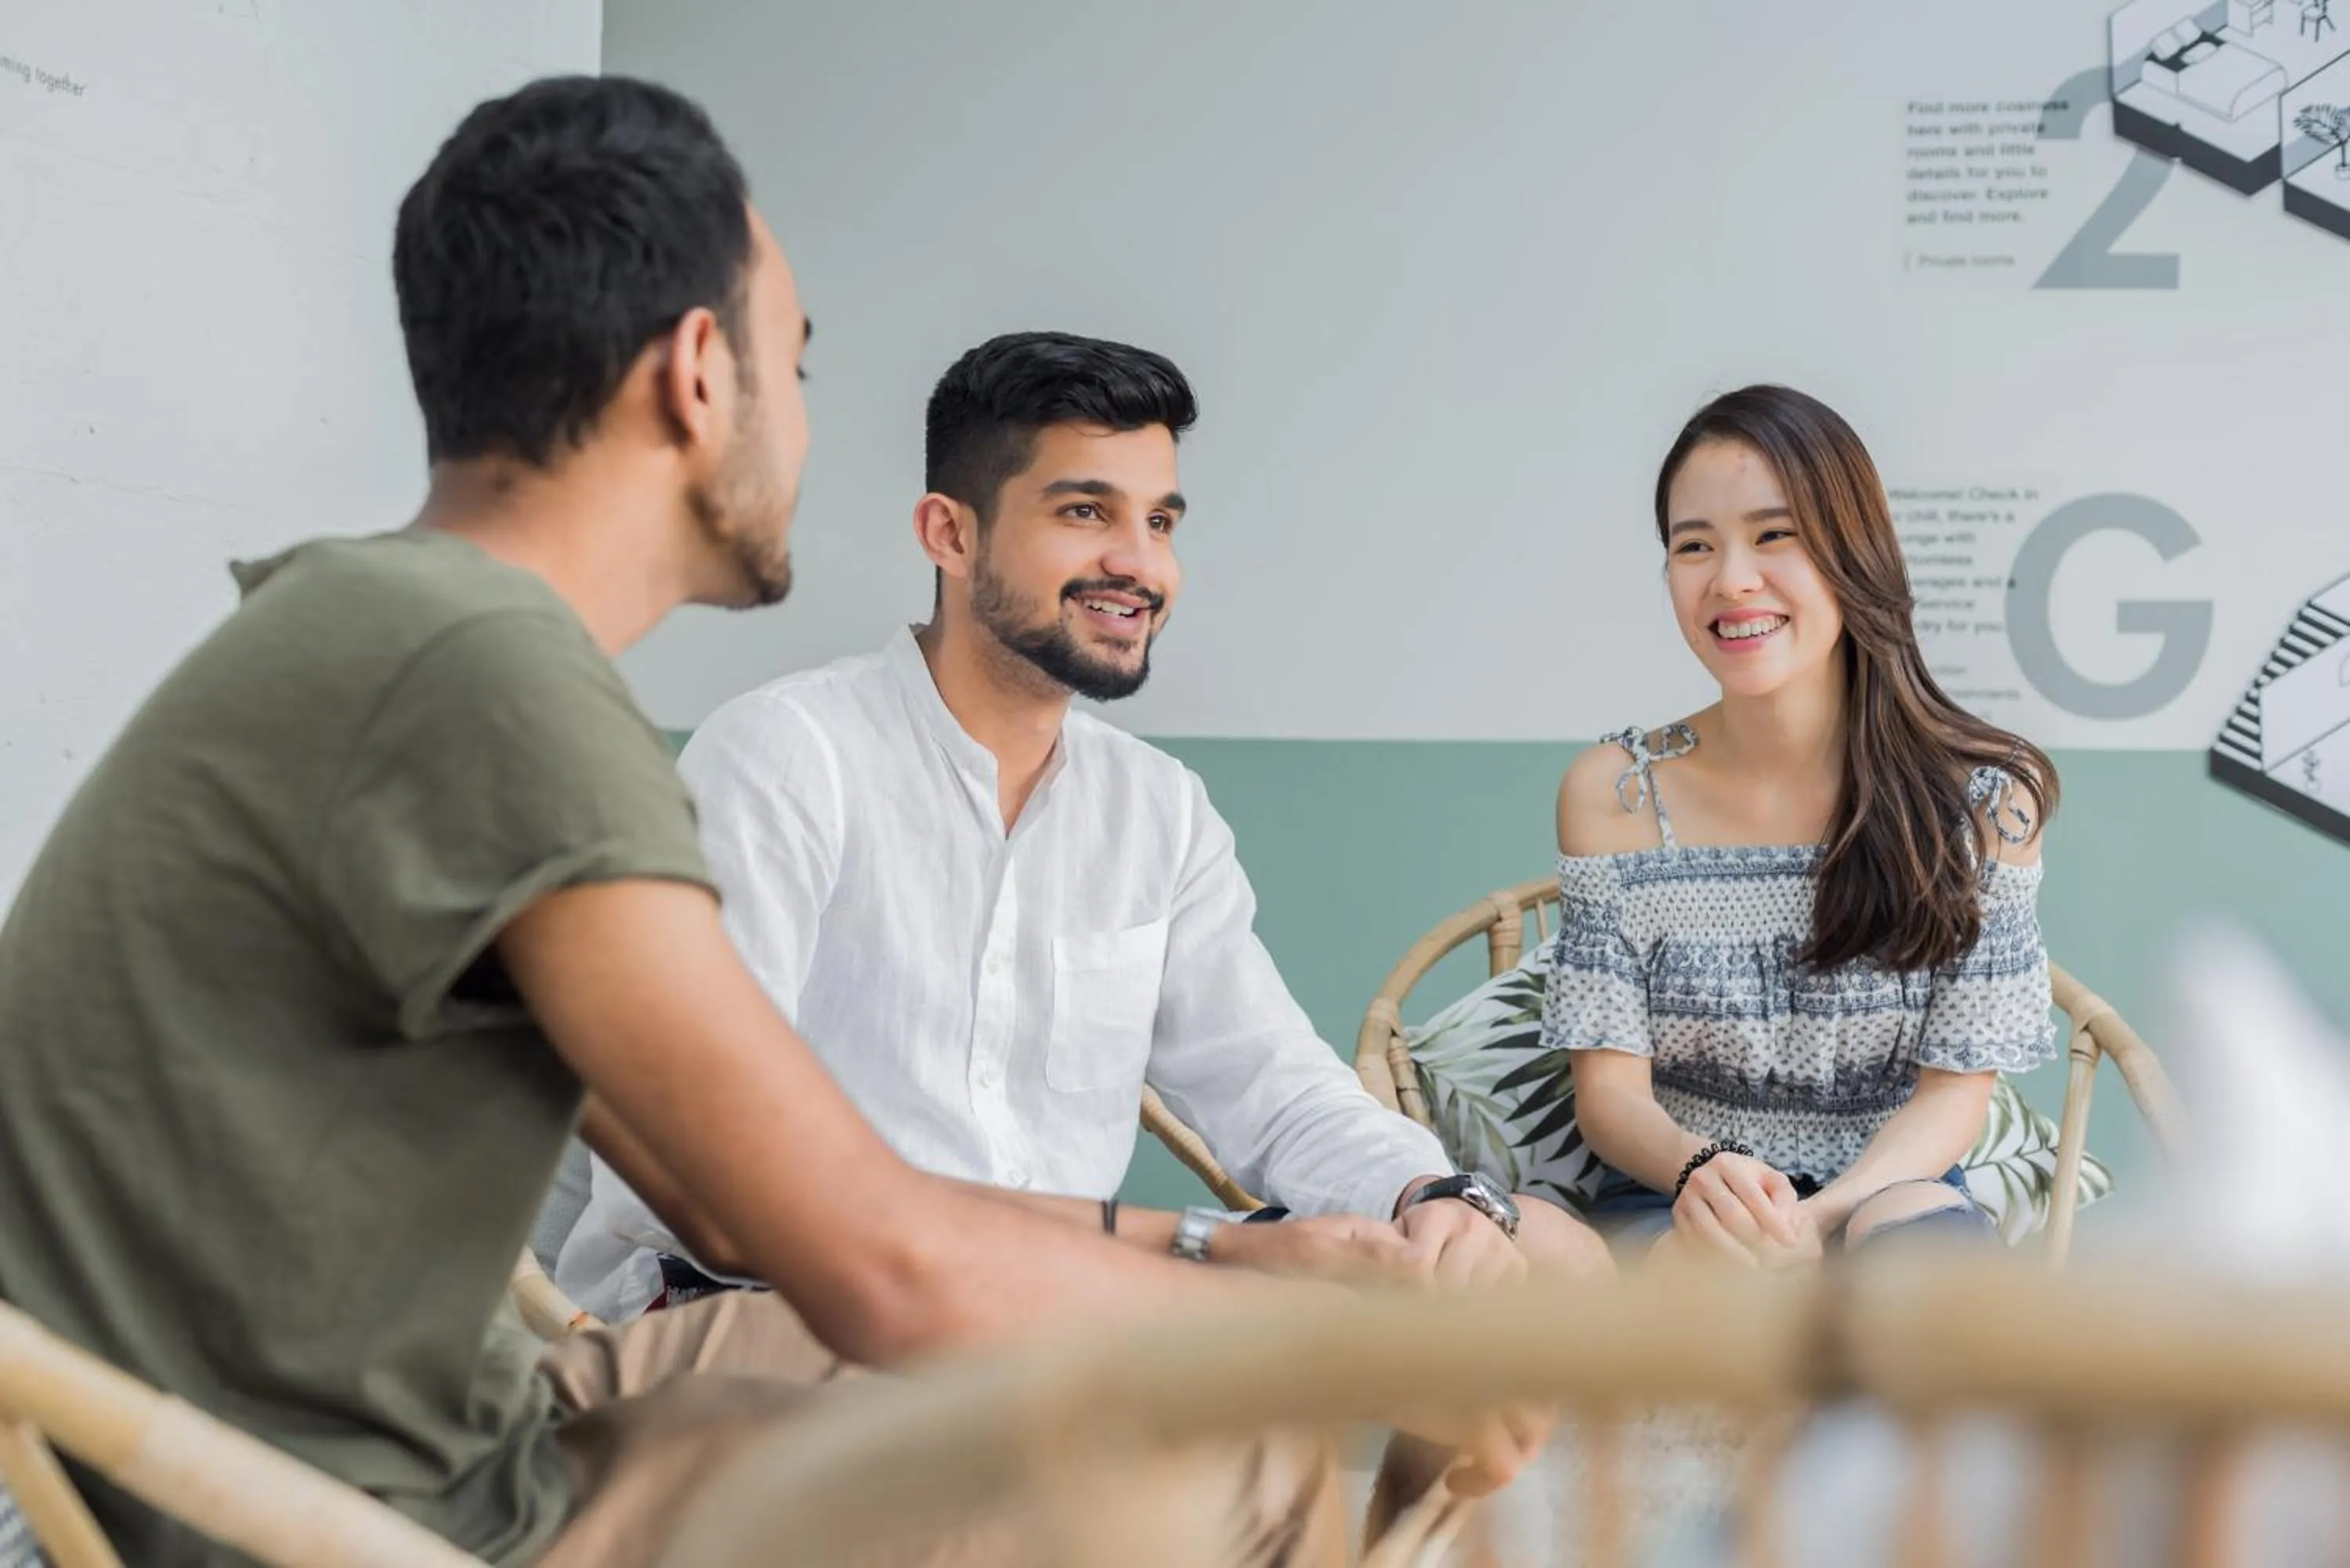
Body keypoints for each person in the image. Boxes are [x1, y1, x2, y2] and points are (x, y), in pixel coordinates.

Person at [0, 76, 1539, 1567]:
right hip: (334, 1515)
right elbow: (843, 1251)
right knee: (1235, 1443)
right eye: (793, 368)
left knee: (1198, 1405)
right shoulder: (498, 686)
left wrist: (1357, 1229)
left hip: (392, 1439)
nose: (800, 425)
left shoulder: (394, 630)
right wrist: (1251, 1280)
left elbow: (741, 1180)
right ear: (697, 373)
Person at [557, 331, 1607, 1321]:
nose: (1140, 564)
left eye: (1161, 522)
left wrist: (1431, 1194)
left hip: (1060, 1308)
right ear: (950, 533)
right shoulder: (786, 758)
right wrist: (1184, 1246)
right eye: (1085, 511)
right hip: (776, 1306)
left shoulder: (1157, 810)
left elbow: (1276, 1089)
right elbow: (694, 1175)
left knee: (1529, 1254)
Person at [1542, 385, 2060, 1269]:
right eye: (1693, 545)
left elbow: (1954, 1095)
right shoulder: (1615, 793)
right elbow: (1610, 1095)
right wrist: (1706, 1174)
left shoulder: (1986, 800)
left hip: (1891, 1192)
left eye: (1774, 534)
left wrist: (1822, 1220)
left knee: (1919, 1260)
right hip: (1683, 1198)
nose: (1731, 580)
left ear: (1853, 548)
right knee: (1698, 1282)